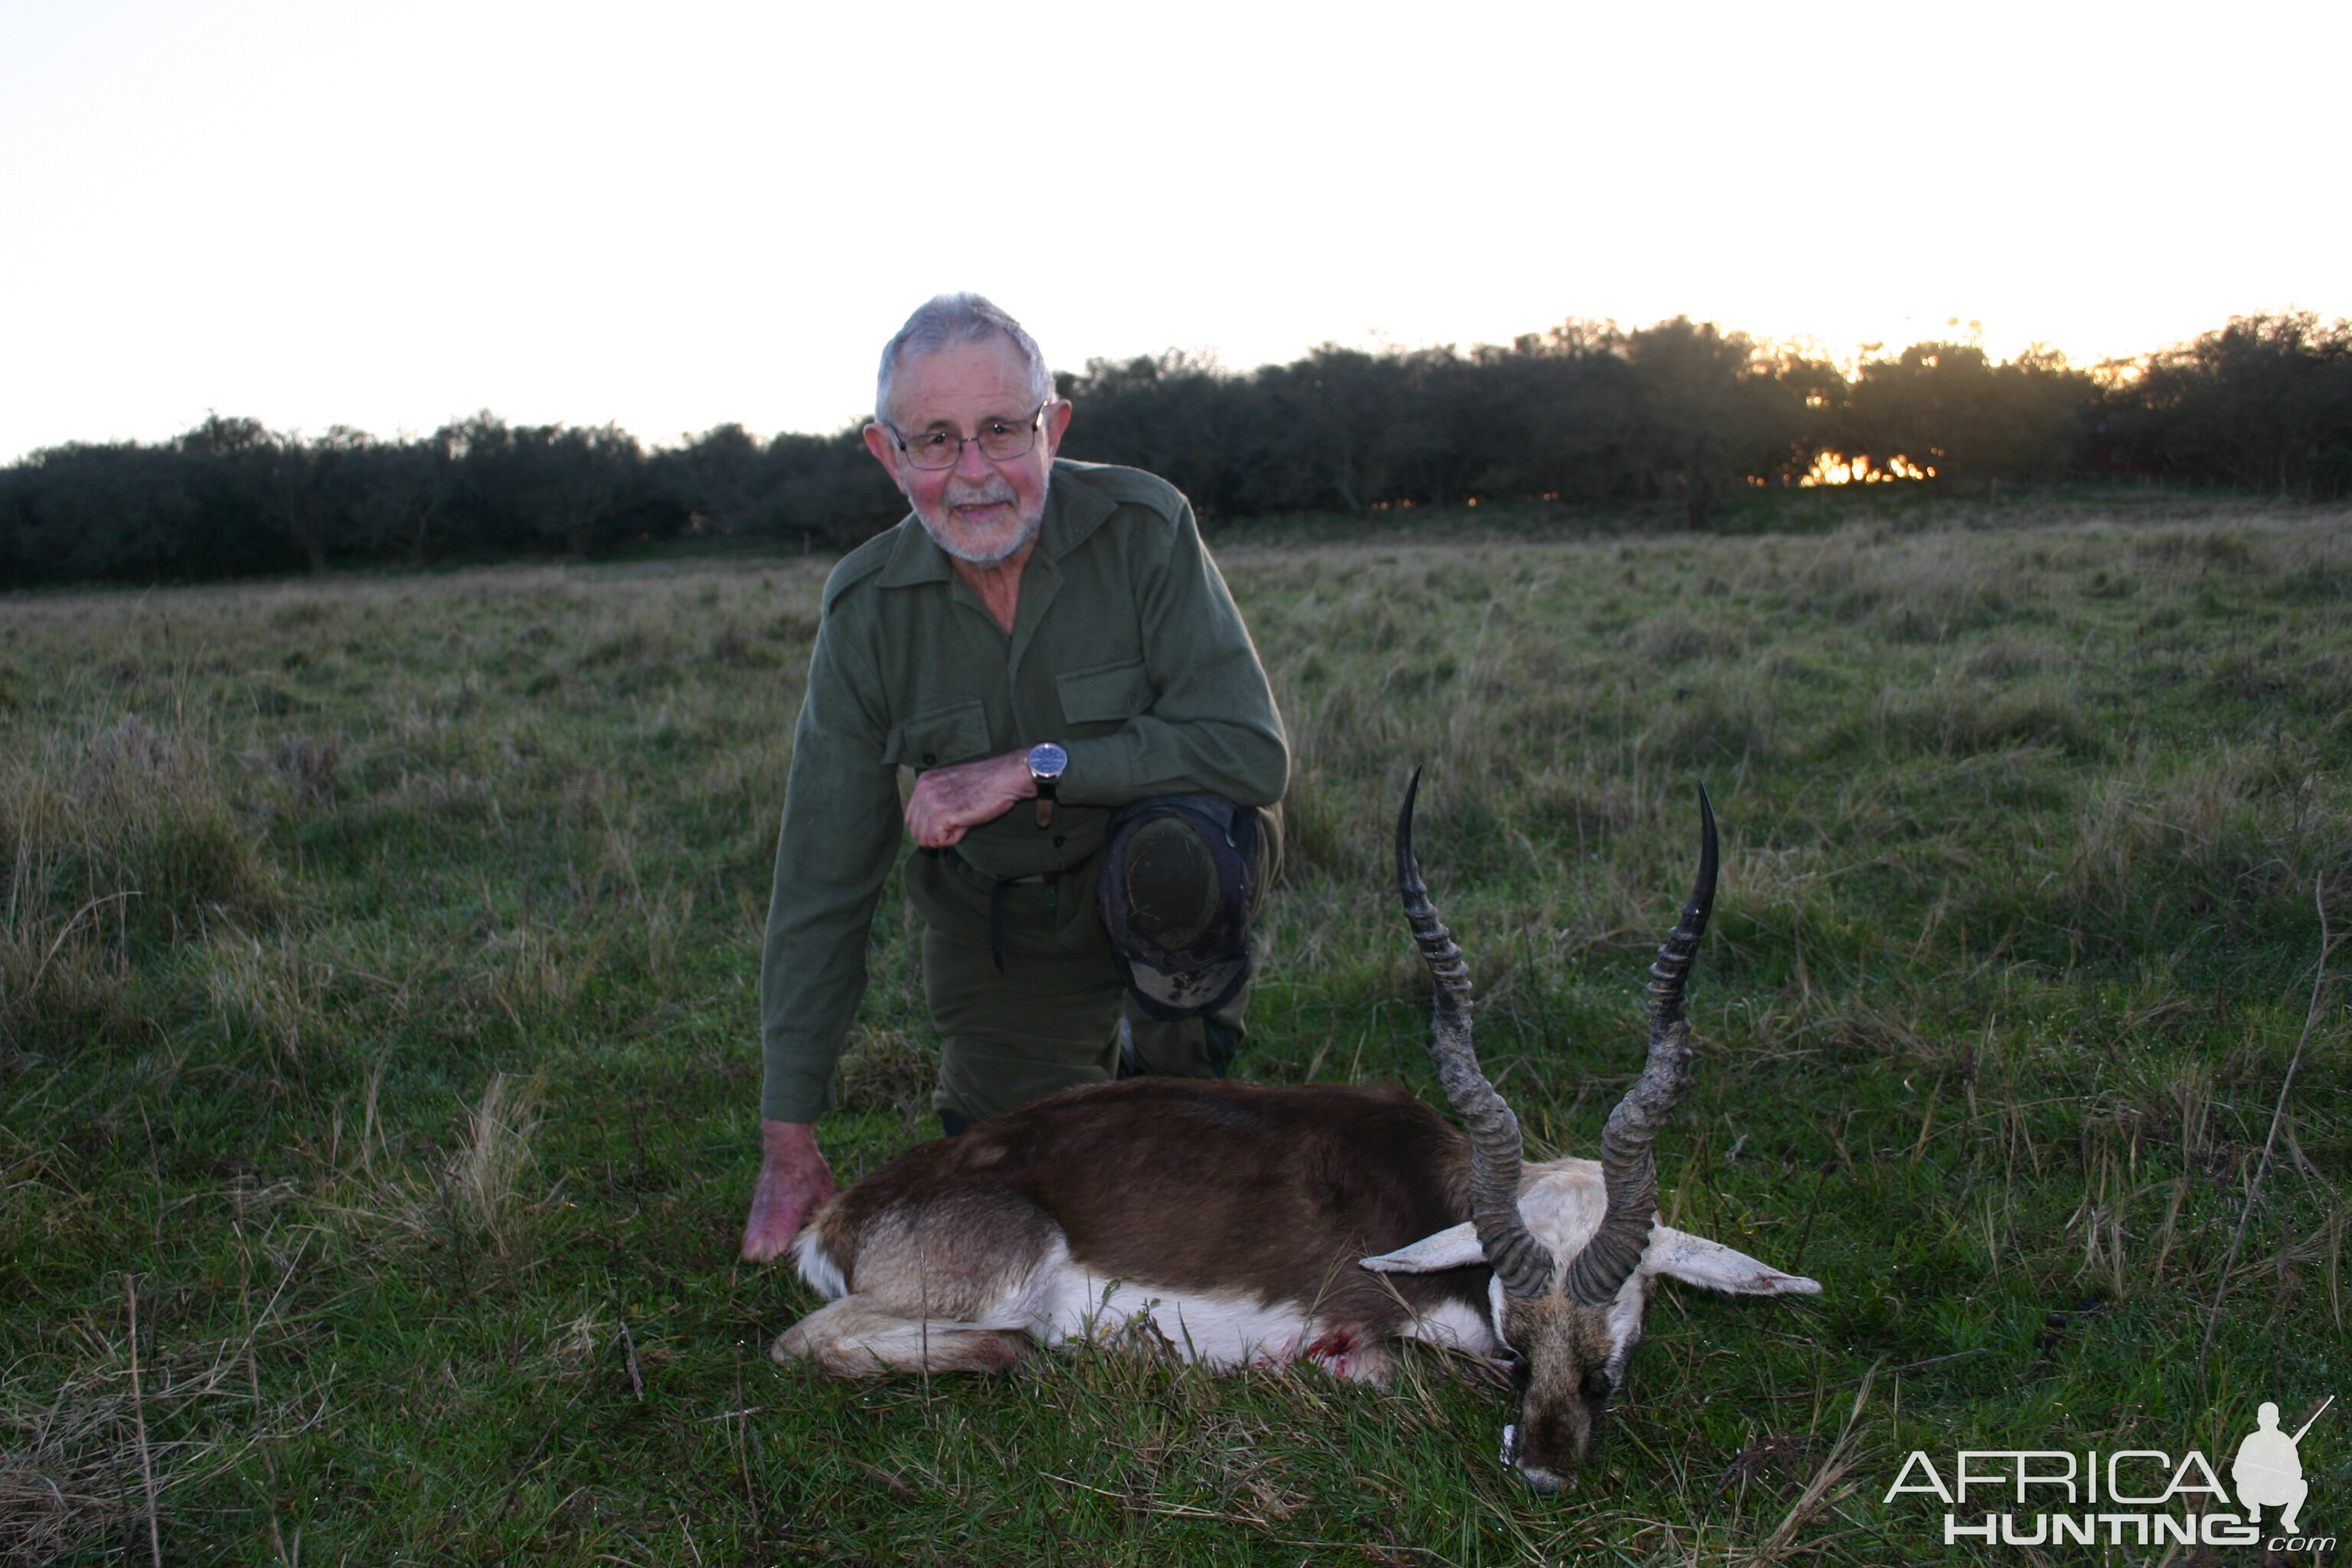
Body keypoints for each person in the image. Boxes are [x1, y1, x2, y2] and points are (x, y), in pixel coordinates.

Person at [739, 294, 1289, 1263]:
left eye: (1002, 429)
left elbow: (1248, 749)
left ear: (1055, 425)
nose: (977, 473)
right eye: (937, 441)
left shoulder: (1145, 525)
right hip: (1003, 916)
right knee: (1020, 1184)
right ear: (887, 454)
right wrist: (790, 1140)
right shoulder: (866, 608)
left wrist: (1033, 768)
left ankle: (1177, 1063)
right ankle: (1088, 1070)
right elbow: (823, 876)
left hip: (1154, 868)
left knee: (1175, 877)